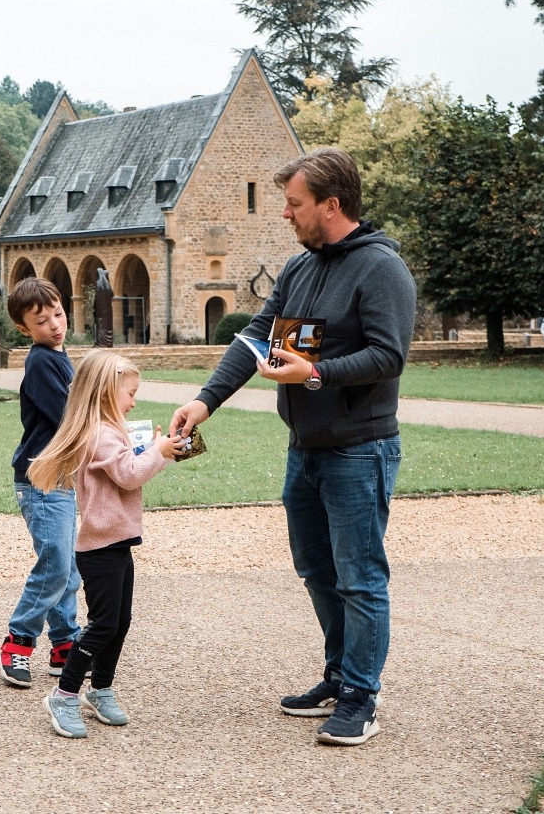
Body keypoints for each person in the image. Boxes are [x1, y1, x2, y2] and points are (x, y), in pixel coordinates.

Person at [170, 147, 415, 747]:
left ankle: (362, 695)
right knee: (316, 570)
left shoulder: (382, 269)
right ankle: (338, 677)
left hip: (359, 451)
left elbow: (389, 356)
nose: (285, 213)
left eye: (295, 203)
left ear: (331, 206)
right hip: (302, 449)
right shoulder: (300, 269)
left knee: (360, 578)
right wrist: (205, 401)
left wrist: (313, 374)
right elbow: (256, 338)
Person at [29, 350, 184, 738]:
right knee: (101, 626)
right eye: (130, 393)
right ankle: (63, 695)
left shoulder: (111, 430)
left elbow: (129, 467)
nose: (134, 401)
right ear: (104, 393)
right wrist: (158, 453)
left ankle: (100, 689)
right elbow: (129, 475)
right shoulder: (99, 434)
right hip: (99, 548)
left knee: (120, 622)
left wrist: (158, 450)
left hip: (118, 542)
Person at [0, 277, 81, 688]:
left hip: (60, 477)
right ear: (24, 328)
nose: (54, 325)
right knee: (56, 565)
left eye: (58, 314)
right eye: (42, 320)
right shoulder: (42, 361)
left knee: (66, 564)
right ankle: (18, 640)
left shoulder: (58, 356)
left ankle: (65, 643)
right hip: (41, 479)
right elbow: (70, 419)